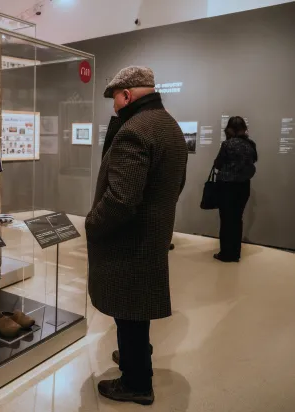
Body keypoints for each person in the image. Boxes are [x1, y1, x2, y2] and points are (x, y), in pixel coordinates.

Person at [86, 66, 187, 405]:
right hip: (151, 234)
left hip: (129, 239)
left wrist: (92, 224)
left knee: (127, 308)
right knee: (135, 305)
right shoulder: (168, 125)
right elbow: (176, 185)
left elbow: (121, 199)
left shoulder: (135, 129)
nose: (114, 106)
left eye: (115, 98)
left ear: (127, 94)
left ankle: (137, 382)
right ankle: (134, 357)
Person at [213, 116, 257, 262]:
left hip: (227, 186)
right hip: (243, 186)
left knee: (226, 220)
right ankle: (235, 253)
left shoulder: (227, 144)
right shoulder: (251, 144)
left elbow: (218, 164)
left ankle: (226, 253)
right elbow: (254, 160)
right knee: (237, 219)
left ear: (229, 128)